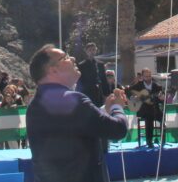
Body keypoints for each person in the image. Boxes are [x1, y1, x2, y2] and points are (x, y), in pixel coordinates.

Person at [25, 45, 128, 182]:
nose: (73, 58)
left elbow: (70, 127)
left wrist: (103, 110)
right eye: (65, 57)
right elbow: (118, 129)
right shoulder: (74, 100)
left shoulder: (34, 106)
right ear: (53, 70)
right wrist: (117, 107)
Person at [127, 68, 163, 146]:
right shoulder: (138, 85)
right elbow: (128, 91)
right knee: (149, 117)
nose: (148, 78)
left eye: (149, 76)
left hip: (155, 109)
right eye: (146, 76)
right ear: (142, 77)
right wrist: (133, 97)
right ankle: (149, 141)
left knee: (162, 117)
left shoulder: (156, 85)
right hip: (143, 110)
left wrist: (161, 98)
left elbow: (161, 96)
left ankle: (163, 140)